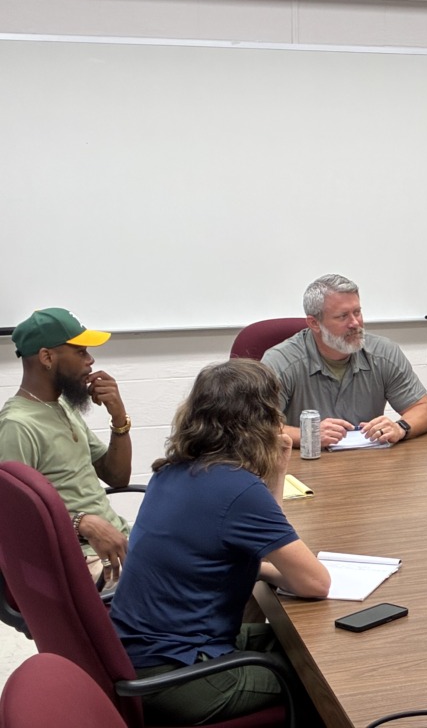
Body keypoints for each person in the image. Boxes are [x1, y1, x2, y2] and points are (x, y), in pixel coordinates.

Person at [109, 359, 331, 725]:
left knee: (300, 644)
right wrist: (274, 571)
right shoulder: (236, 488)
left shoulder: (173, 470)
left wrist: (275, 473)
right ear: (262, 420)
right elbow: (316, 583)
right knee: (321, 675)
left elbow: (257, 549)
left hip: (144, 654)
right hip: (179, 676)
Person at [0, 307, 132, 587]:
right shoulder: (17, 425)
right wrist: (80, 522)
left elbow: (117, 476)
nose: (90, 360)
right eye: (81, 351)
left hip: (117, 542)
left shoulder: (62, 407)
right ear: (47, 357)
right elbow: (14, 520)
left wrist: (119, 418)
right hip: (85, 560)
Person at [261, 274, 427, 449]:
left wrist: (400, 428)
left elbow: (424, 409)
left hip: (368, 464)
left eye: (357, 312)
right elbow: (256, 427)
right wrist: (308, 435)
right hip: (306, 464)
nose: (355, 323)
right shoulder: (281, 362)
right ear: (314, 323)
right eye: (343, 316)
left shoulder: (383, 353)